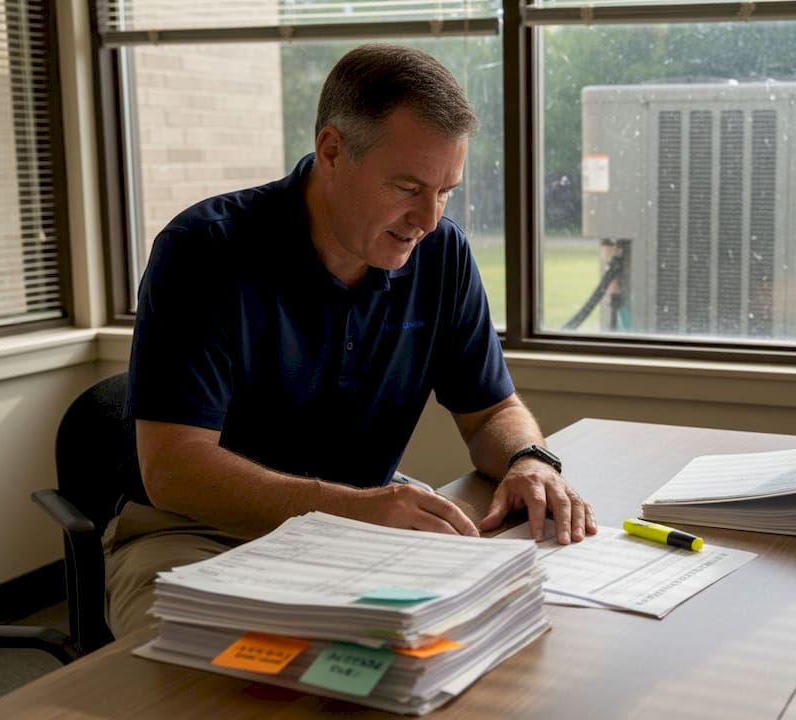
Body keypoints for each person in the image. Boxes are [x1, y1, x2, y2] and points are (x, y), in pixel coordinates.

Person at [105, 43, 596, 637]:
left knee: (496, 629)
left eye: (446, 191)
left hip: (360, 523)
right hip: (197, 532)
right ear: (333, 151)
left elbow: (492, 408)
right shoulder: (204, 251)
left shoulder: (441, 255)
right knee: (212, 679)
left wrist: (528, 459)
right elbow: (175, 470)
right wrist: (354, 509)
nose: (429, 219)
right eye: (409, 186)